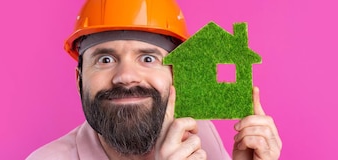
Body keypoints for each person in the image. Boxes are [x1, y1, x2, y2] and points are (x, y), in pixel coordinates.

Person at [27, 0, 282, 159]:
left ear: (176, 75)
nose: (126, 77)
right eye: (105, 60)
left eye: (148, 59)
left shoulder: (199, 134)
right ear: (79, 80)